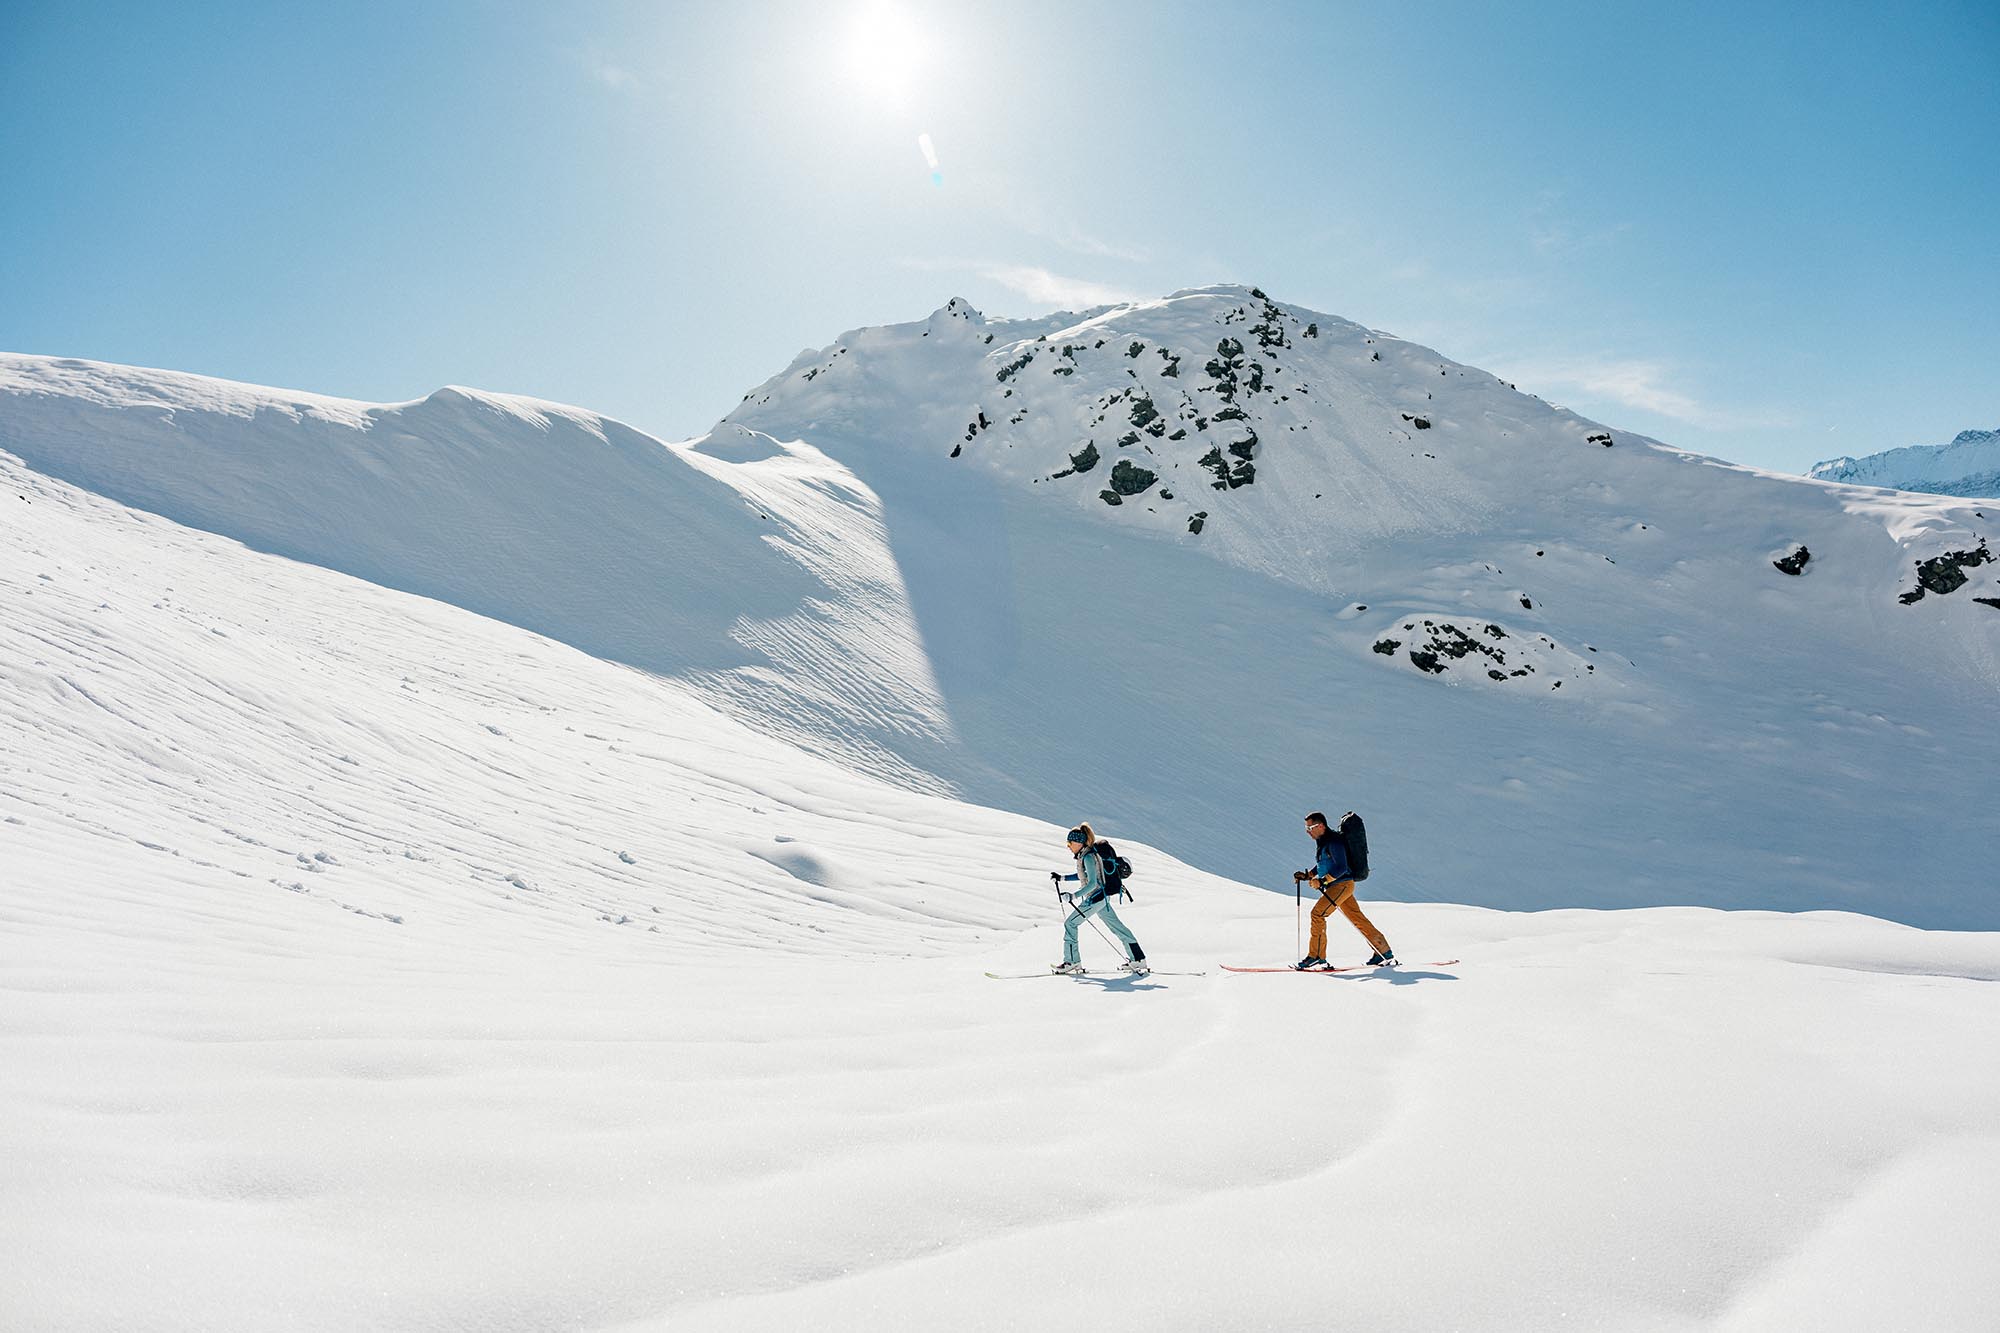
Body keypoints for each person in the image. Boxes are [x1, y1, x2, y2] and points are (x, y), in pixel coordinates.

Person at [1293, 811, 1394, 969]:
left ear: (1321, 826)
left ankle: (1316, 956)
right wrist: (1308, 875)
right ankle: (1383, 951)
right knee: (1357, 918)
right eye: (1306, 828)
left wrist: (1322, 881)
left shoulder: (1334, 841)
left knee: (1318, 914)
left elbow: (1341, 867)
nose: (1308, 831)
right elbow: (1324, 864)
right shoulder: (1324, 842)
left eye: (1310, 828)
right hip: (1339, 886)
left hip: (1342, 885)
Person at [1049, 822, 1148, 975]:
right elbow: (1084, 875)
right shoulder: (1085, 856)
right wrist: (1062, 878)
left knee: (1070, 923)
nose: (1068, 846)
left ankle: (1072, 961)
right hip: (1102, 899)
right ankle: (1138, 959)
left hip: (1095, 899)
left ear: (1079, 843)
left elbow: (1092, 883)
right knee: (1117, 927)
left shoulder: (1088, 857)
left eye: (1070, 843)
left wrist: (1073, 896)